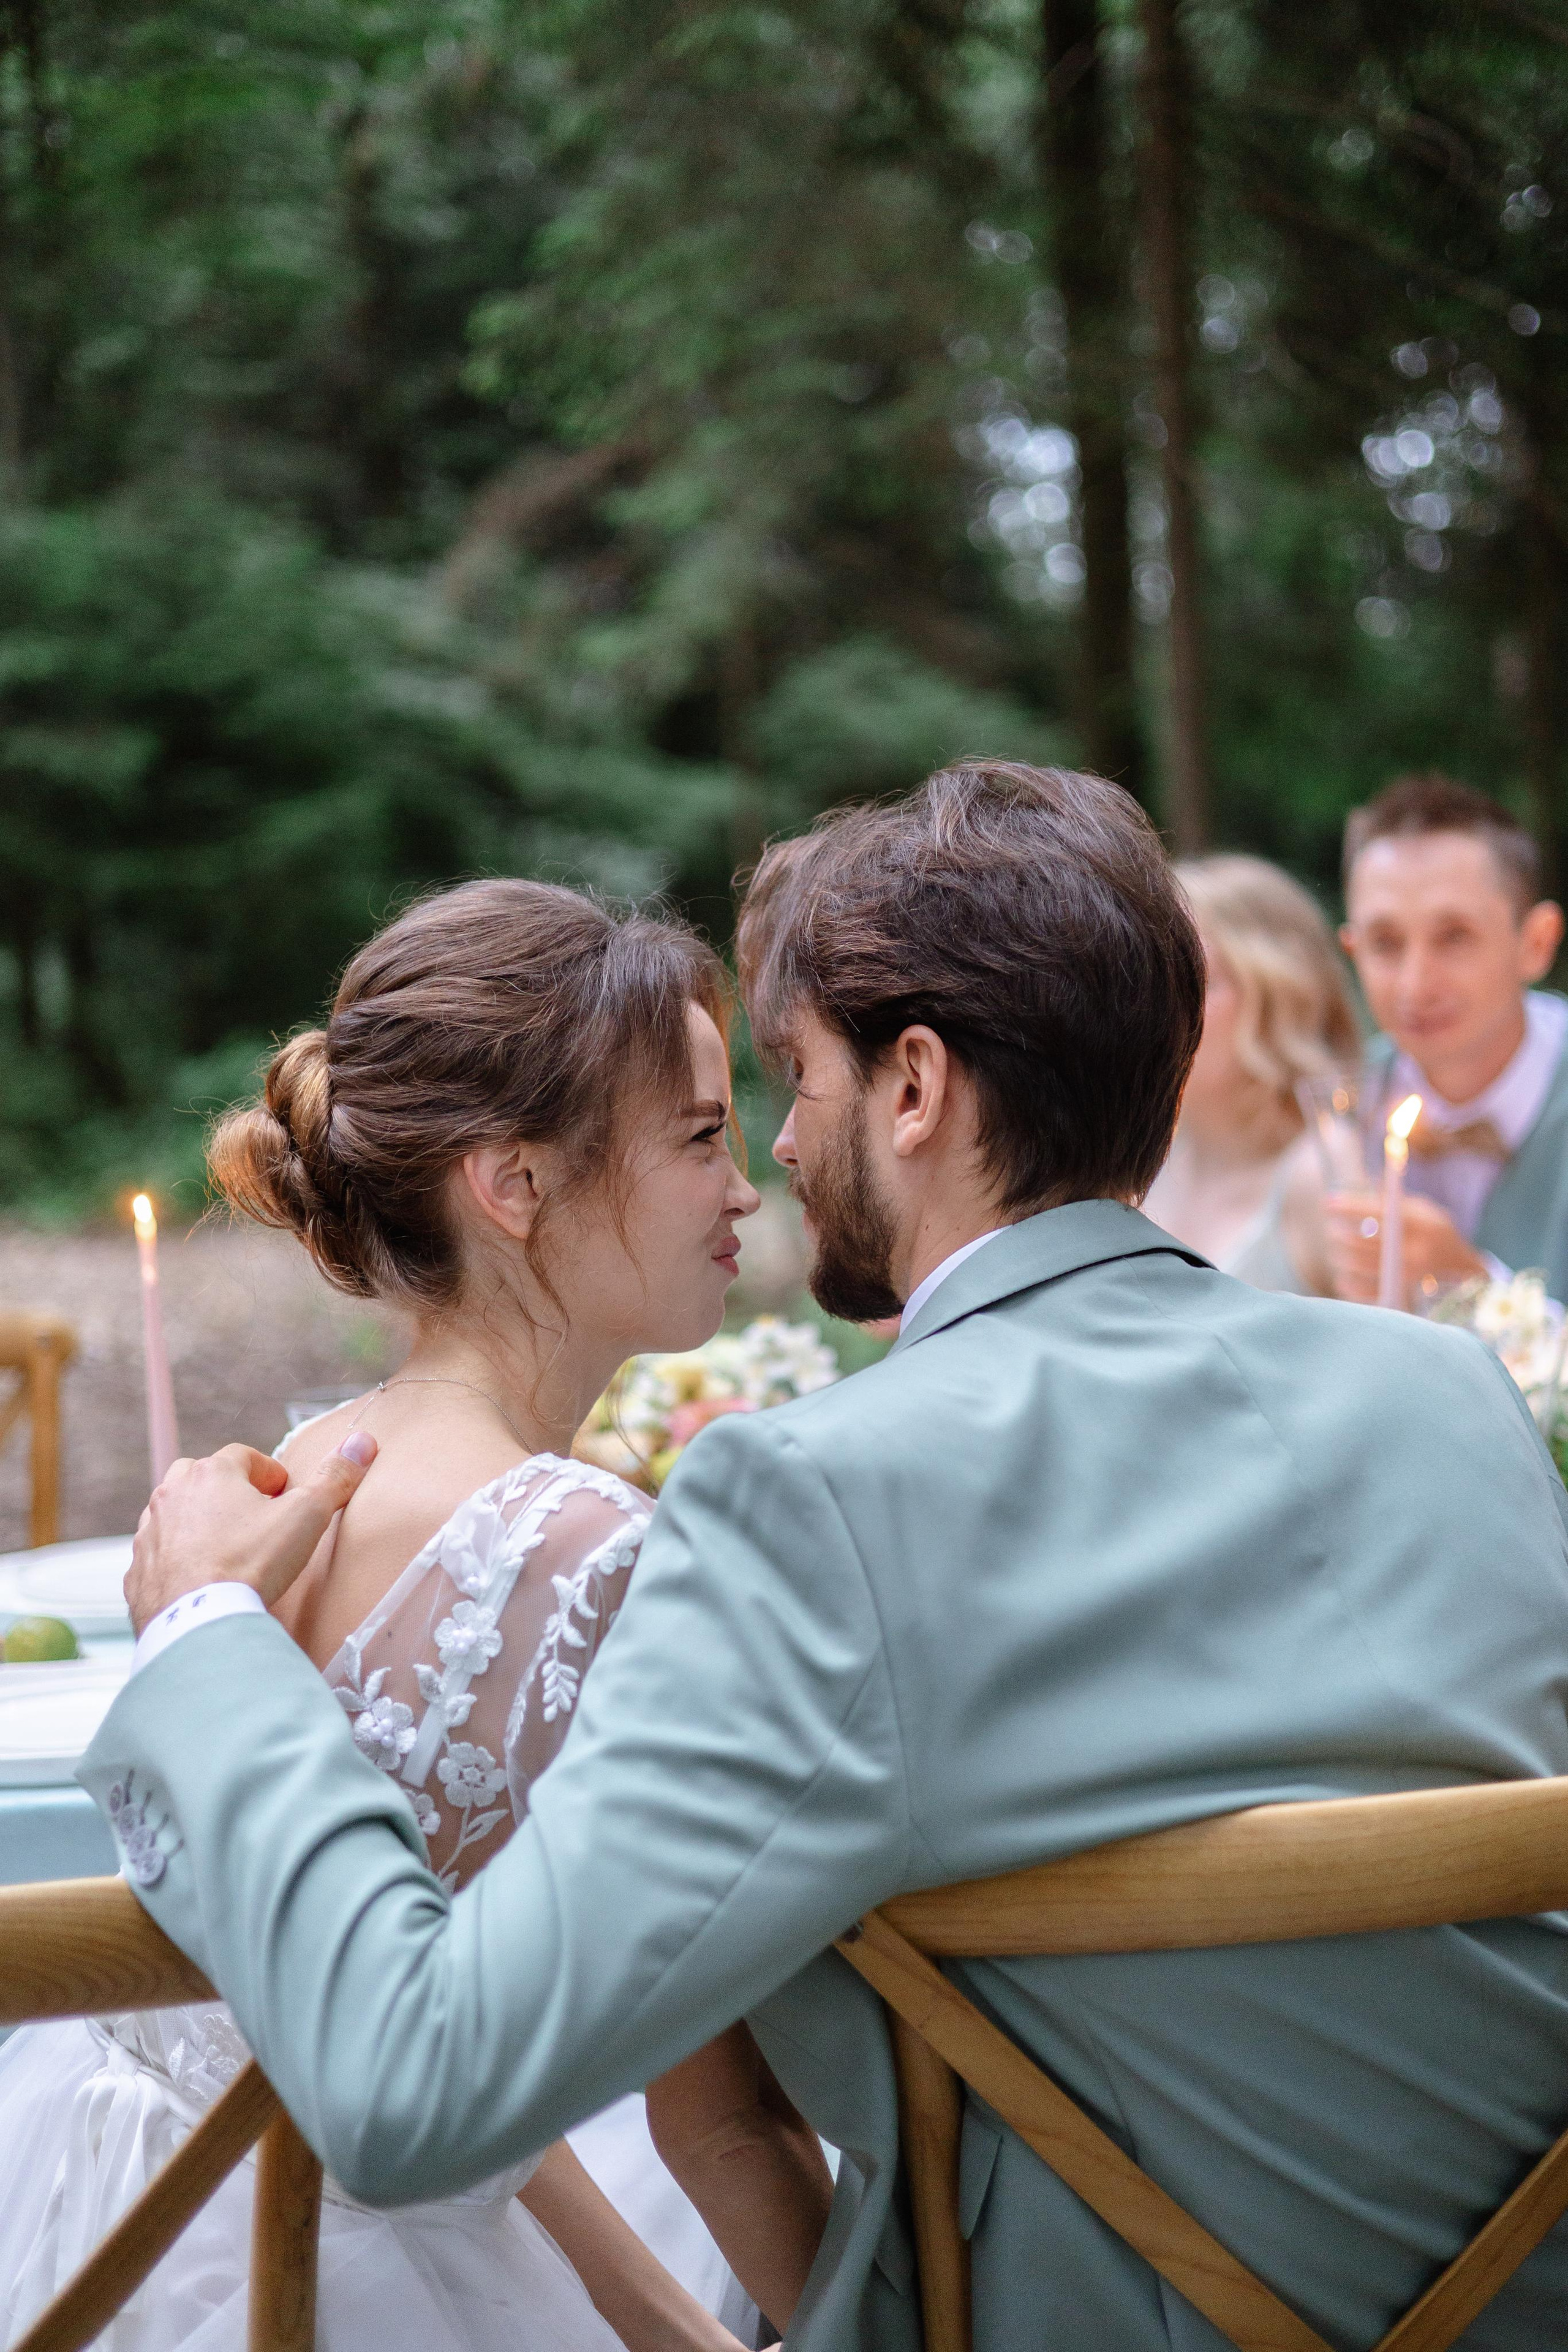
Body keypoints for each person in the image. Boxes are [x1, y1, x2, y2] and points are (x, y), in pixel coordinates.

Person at [85, 763, 1568, 2350]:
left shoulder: (813, 1505)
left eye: (798, 1077)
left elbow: (411, 2087)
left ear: (915, 1087)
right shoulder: (1457, 1399)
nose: (780, 1151)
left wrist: (215, 1641)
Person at [0, 879, 835, 2352]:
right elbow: (717, 2113)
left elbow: (425, 2028)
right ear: (512, 1184)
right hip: (324, 2283)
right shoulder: (591, 1551)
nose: (743, 1185)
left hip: (115, 2227)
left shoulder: (286, 1477)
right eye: (700, 1136)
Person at [1325, 772, 1568, 1306]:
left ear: (1536, 942)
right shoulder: (1340, 1110)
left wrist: (1475, 1285)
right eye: (1385, 943)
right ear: (1353, 952)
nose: (1416, 985)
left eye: (1454, 936)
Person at [1144, 854, 1360, 1291]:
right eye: (1150, 974)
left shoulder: (1324, 1170)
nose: (1158, 1004)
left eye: (1194, 981)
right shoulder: (1144, 1157)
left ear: (1280, 999)